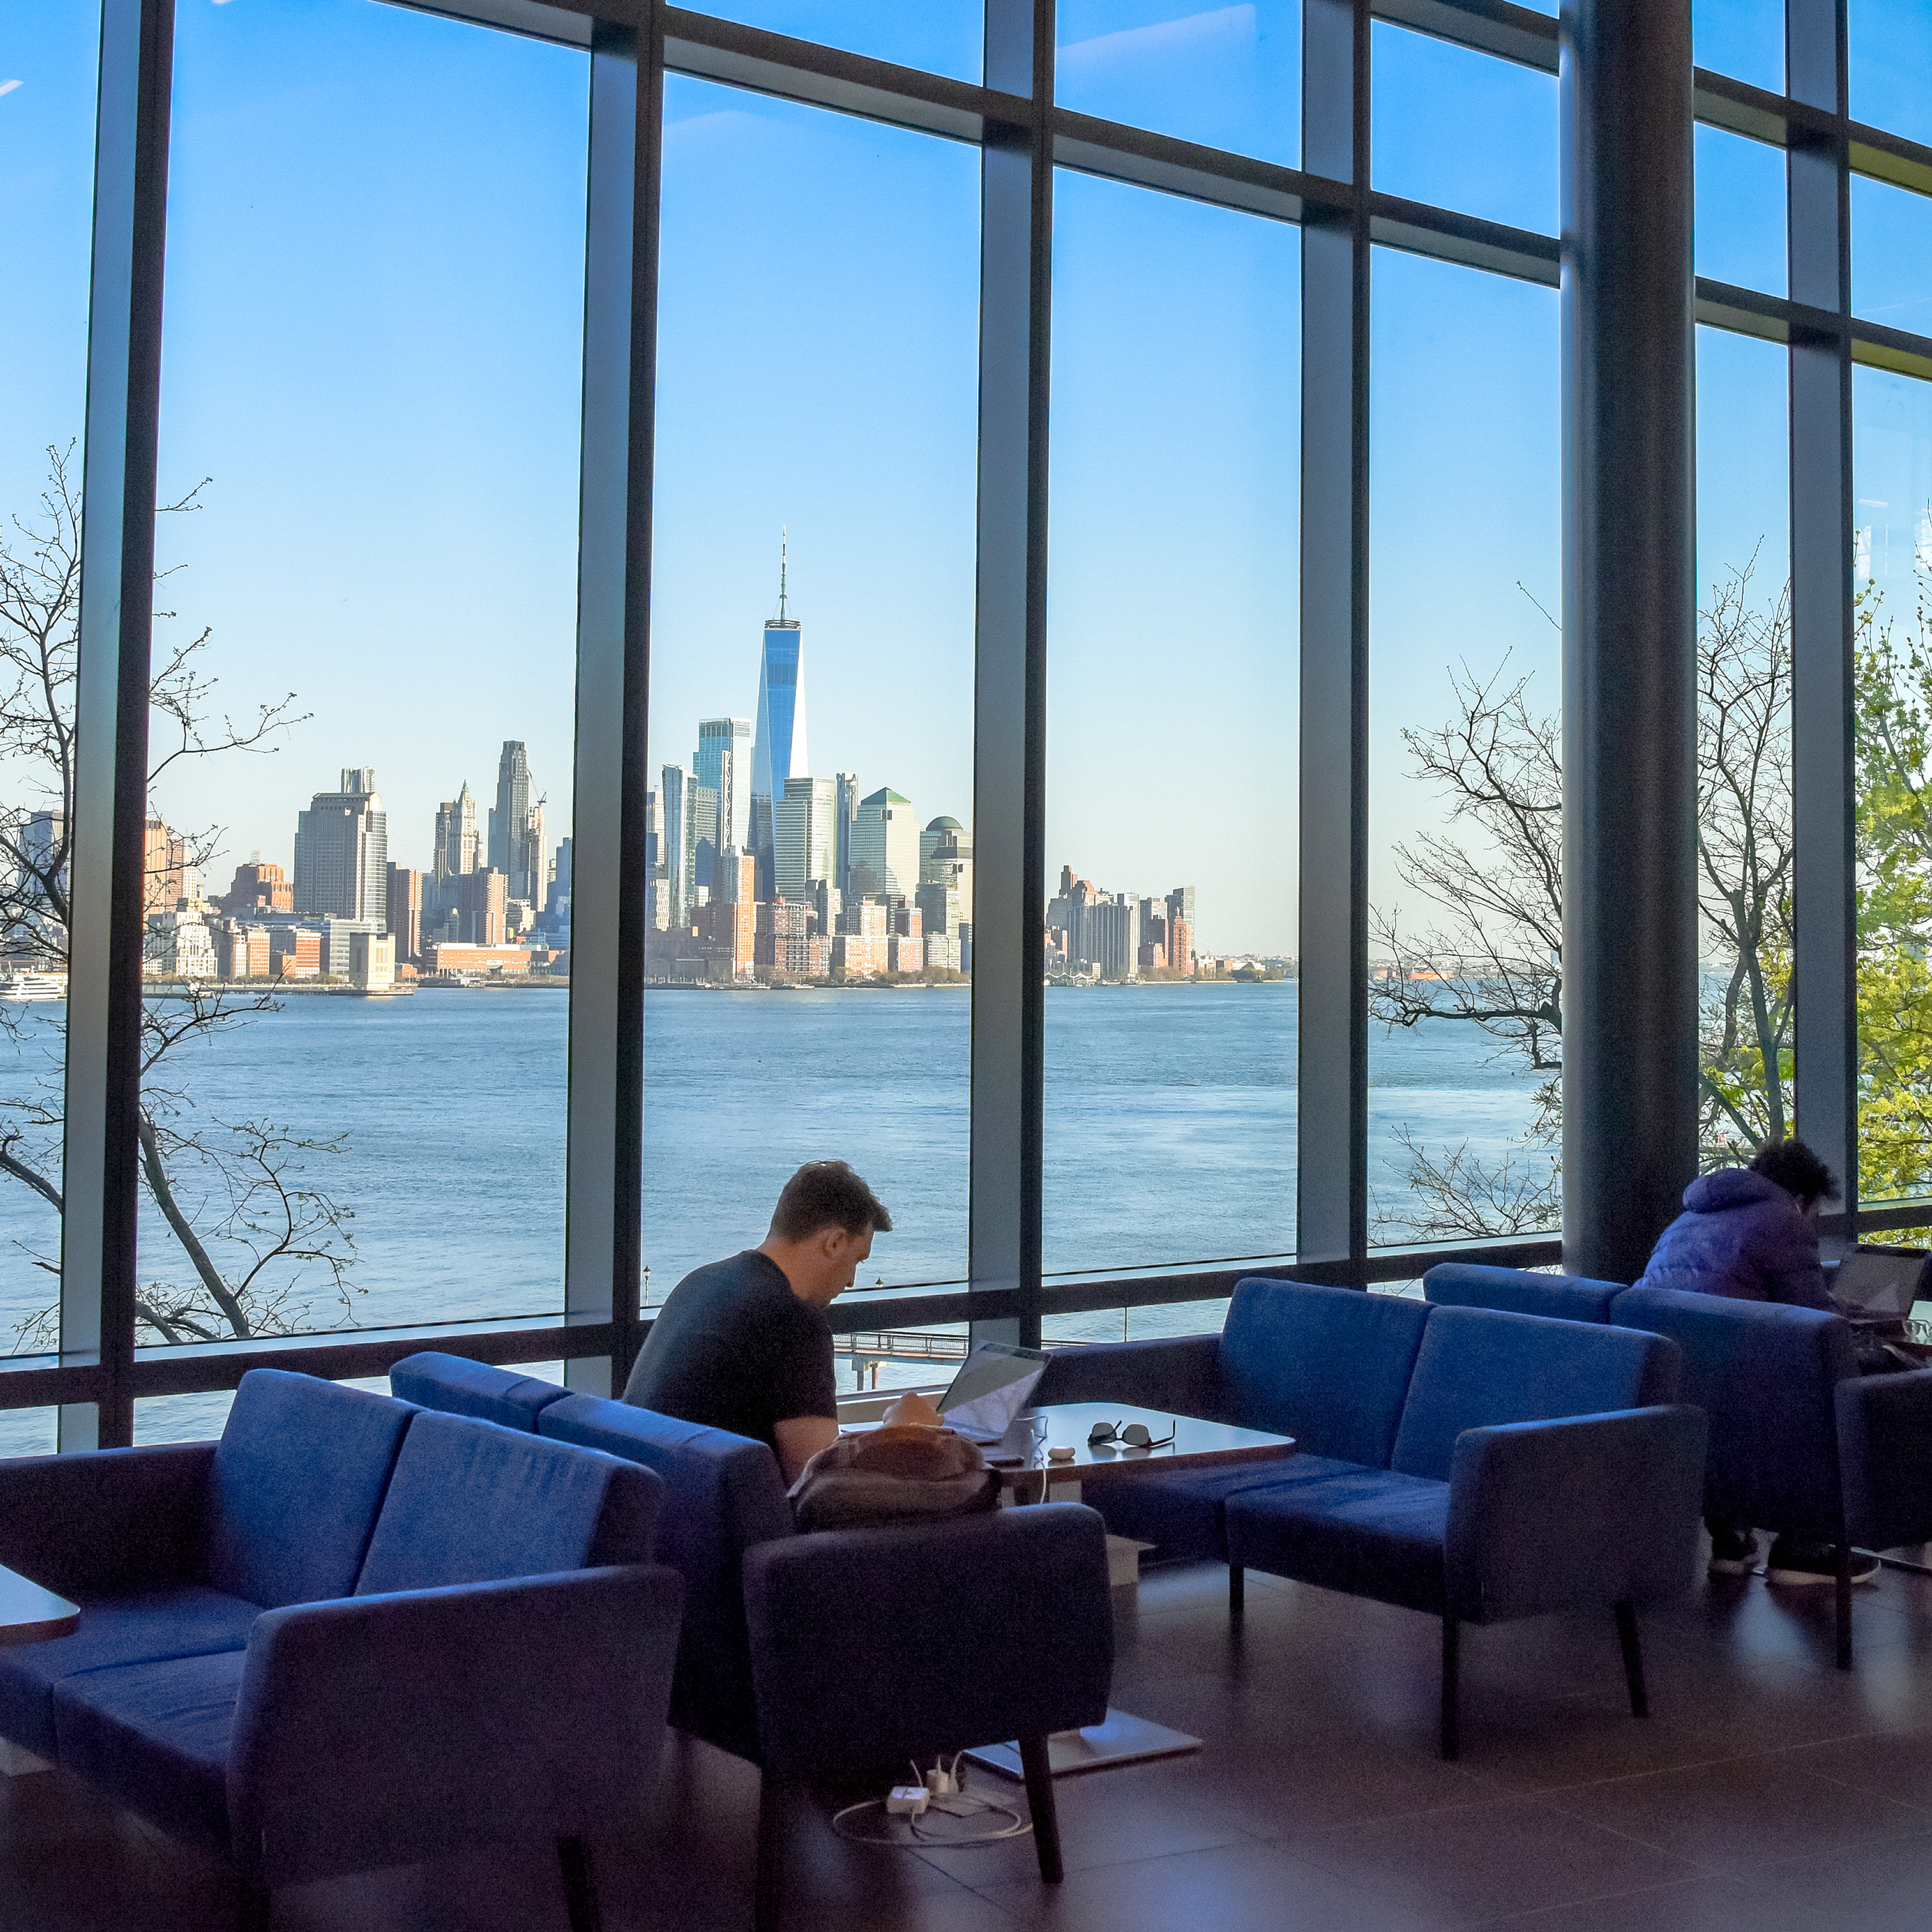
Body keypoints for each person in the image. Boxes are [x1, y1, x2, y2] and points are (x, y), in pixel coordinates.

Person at [1638, 1138, 1878, 1588]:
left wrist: (1837, 1304)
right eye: (1817, 1213)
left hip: (1678, 1376)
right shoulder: (1783, 1220)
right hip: (1747, 1383)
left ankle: (1731, 1540)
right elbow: (1812, 1319)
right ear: (1803, 1198)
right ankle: (1802, 1548)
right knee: (1841, 1388)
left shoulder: (1688, 1220)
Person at [623, 1161, 893, 1483]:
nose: (850, 1281)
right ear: (833, 1242)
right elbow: (818, 1487)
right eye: (857, 1260)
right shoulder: (794, 1322)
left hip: (660, 1509)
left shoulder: (697, 1284)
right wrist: (901, 1436)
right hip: (731, 1527)